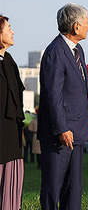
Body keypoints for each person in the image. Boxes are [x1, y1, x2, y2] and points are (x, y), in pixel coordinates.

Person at [38, 3, 88, 210]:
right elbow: (51, 95)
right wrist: (62, 128)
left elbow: (84, 88)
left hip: (78, 131)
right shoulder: (55, 52)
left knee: (73, 188)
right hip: (60, 135)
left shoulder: (78, 50)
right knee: (53, 188)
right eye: (86, 22)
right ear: (76, 26)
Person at [0, 15, 25, 210]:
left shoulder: (9, 60)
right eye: (8, 28)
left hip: (12, 135)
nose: (13, 31)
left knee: (12, 184)